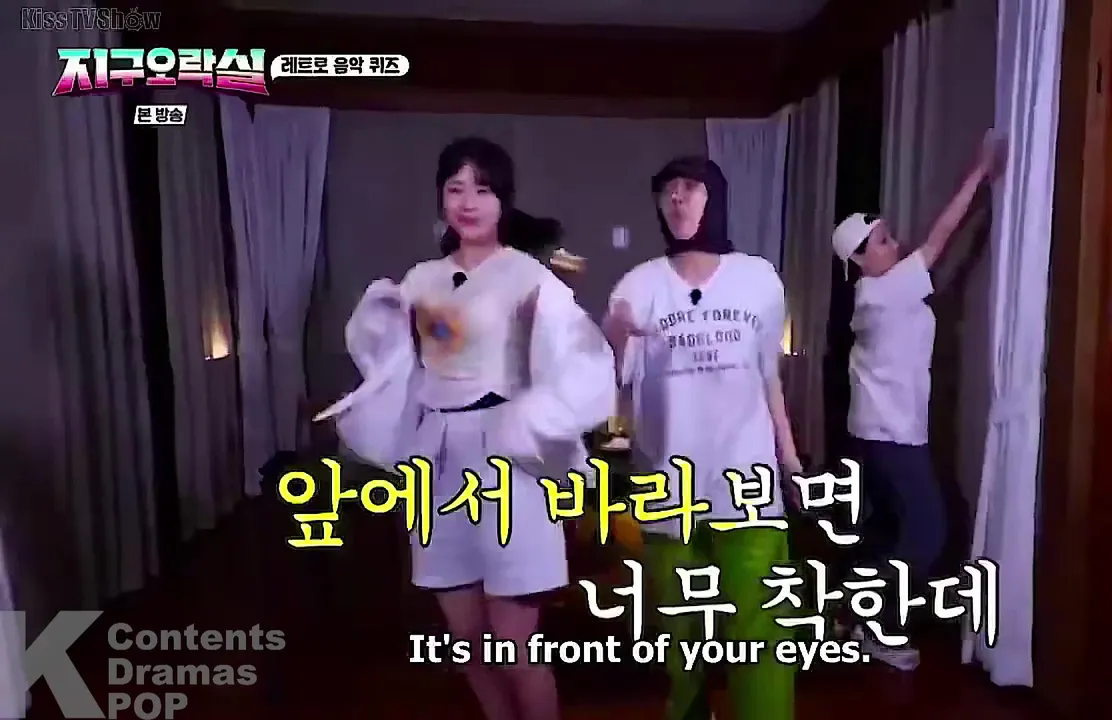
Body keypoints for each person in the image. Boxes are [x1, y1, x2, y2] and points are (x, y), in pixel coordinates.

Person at [324, 137, 616, 720]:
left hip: (510, 457)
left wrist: (541, 418)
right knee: (468, 641)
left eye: (482, 189)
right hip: (437, 457)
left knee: (516, 644)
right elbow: (394, 360)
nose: (468, 202)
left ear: (502, 199)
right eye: (456, 188)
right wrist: (382, 312)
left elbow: (581, 359)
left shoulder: (530, 277)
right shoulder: (423, 278)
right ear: (441, 197)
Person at [603, 156, 802, 720]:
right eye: (667, 191)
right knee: (679, 634)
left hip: (748, 481)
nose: (678, 199)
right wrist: (614, 336)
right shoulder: (638, 284)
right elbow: (610, 383)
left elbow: (768, 377)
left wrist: (790, 460)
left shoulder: (757, 278)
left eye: (690, 188)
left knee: (761, 626)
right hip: (668, 485)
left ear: (714, 197)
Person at [829, 131, 1006, 671]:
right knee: (928, 532)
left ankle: (852, 609)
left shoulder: (872, 294)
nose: (895, 243)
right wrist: (980, 173)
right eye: (882, 241)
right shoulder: (886, 290)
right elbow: (940, 239)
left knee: (893, 526)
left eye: (888, 235)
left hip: (876, 430)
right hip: (892, 433)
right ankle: (872, 621)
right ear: (860, 261)